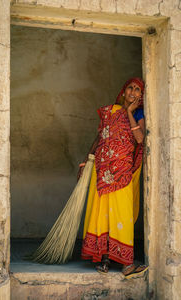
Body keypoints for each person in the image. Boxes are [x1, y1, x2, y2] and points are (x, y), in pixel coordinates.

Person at [78, 77, 148, 277]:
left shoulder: (138, 113)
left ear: (141, 96)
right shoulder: (111, 112)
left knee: (122, 215)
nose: (133, 92)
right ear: (124, 92)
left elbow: (140, 138)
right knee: (104, 215)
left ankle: (126, 263)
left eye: (138, 90)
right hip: (103, 171)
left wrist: (129, 113)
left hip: (123, 173)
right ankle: (105, 260)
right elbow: (100, 137)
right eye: (130, 88)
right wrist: (87, 160)